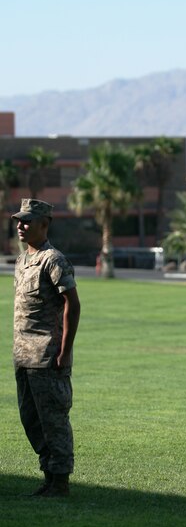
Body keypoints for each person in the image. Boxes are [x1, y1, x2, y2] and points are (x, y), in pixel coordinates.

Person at [12, 198, 81, 497]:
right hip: (23, 355)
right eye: (19, 220)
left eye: (27, 221)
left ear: (45, 224)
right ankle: (48, 474)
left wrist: (64, 351)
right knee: (31, 418)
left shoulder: (54, 260)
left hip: (47, 355)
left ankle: (60, 480)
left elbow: (73, 305)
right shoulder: (22, 260)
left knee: (53, 419)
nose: (20, 226)